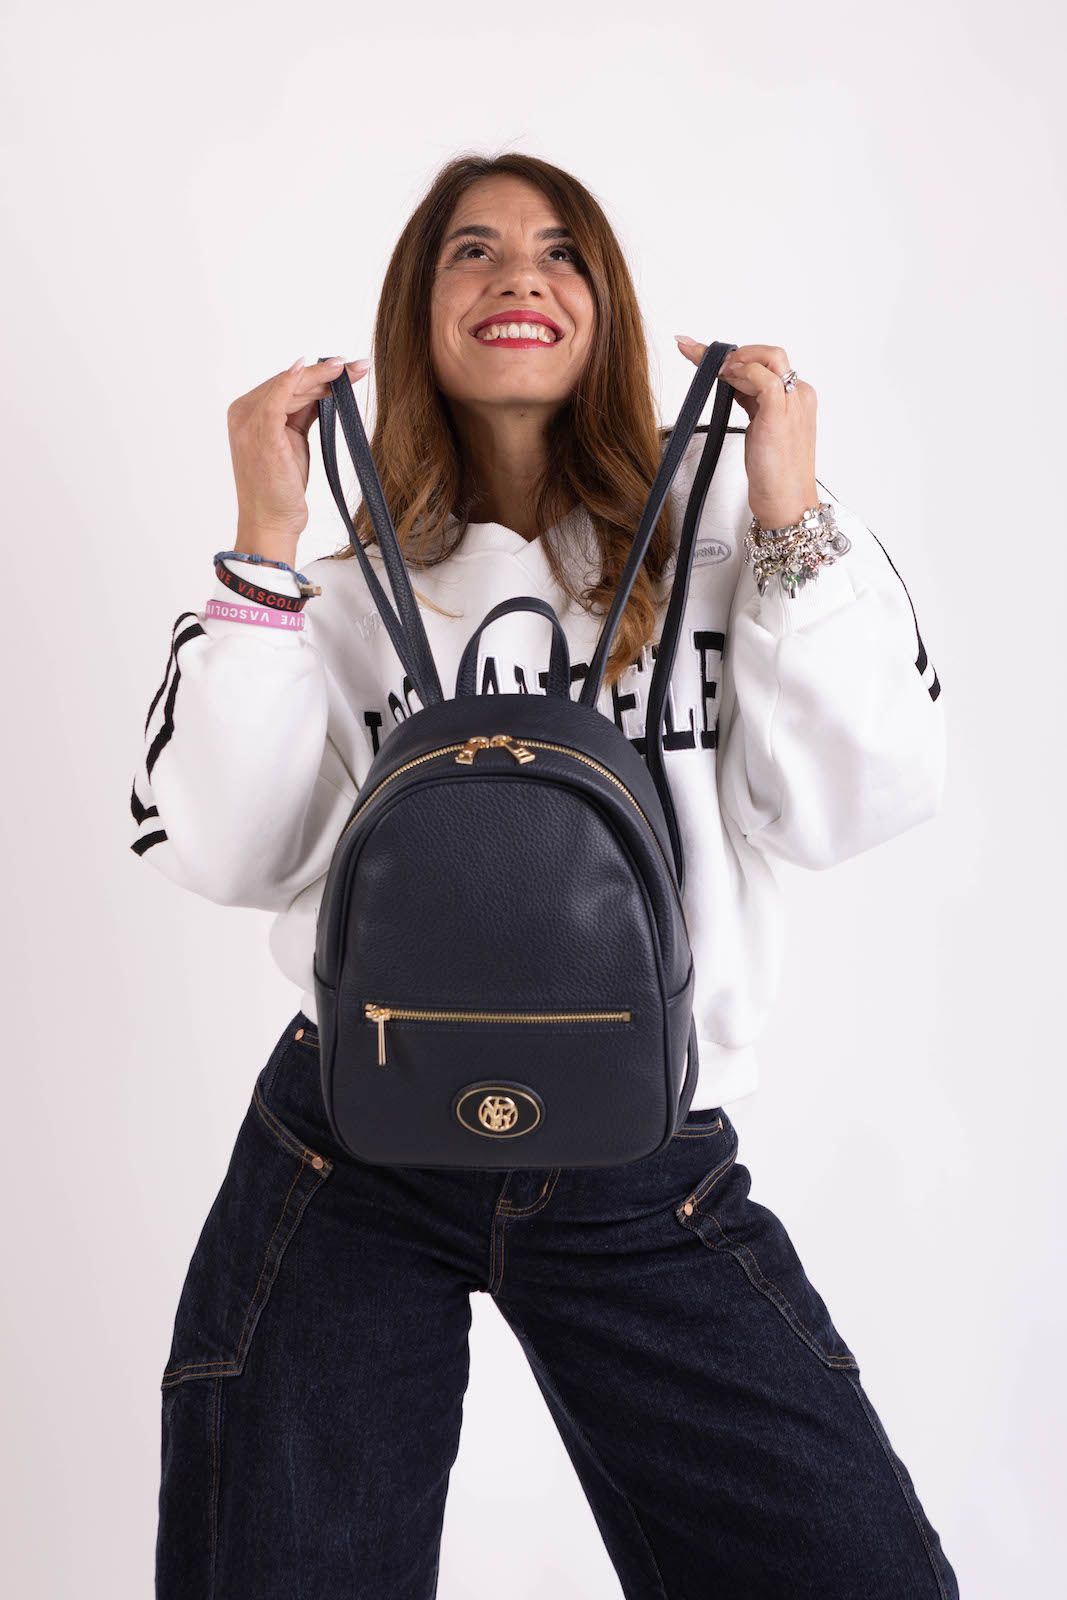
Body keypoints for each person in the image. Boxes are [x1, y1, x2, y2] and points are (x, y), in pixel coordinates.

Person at [132, 152, 959, 1598]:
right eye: (473, 249)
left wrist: (790, 512)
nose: (519, 271)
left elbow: (859, 799)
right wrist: (264, 541)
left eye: (562, 249)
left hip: (644, 1157)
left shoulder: (728, 537)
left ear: (608, 305)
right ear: (417, 311)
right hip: (353, 1145)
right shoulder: (341, 588)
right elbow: (224, 845)